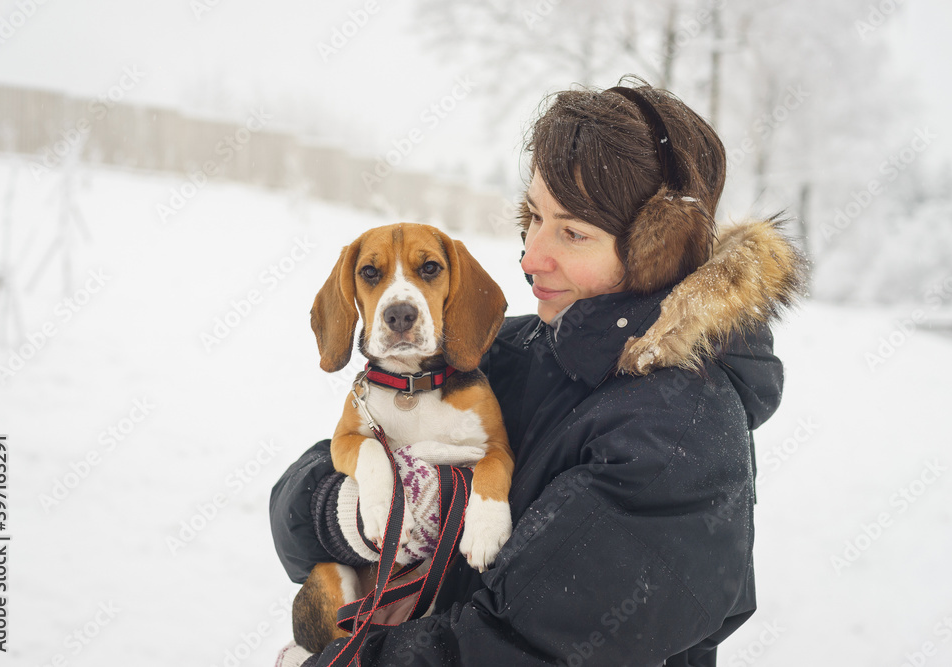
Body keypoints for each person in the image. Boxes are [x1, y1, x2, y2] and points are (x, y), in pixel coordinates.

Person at [270, 76, 803, 666]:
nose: (529, 257)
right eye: (533, 216)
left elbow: (512, 650)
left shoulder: (680, 439)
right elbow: (293, 515)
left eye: (572, 232)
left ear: (658, 251)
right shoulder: (515, 346)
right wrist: (347, 511)